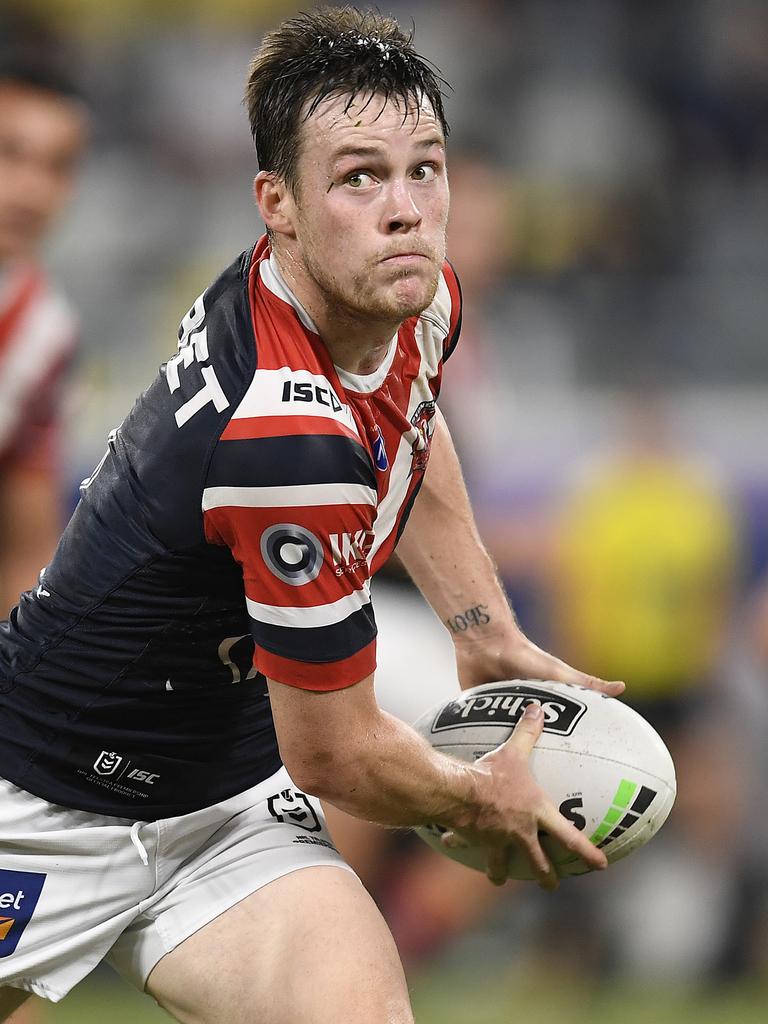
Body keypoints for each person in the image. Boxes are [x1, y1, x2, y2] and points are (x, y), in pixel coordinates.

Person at [0, 9, 622, 1024]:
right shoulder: (282, 441)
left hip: (224, 809)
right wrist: (481, 798)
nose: (406, 209)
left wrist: (482, 627)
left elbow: (412, 424)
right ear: (276, 204)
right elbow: (336, 754)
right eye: (360, 177)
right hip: (42, 798)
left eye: (425, 168)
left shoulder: (402, 298)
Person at [0, 58, 88, 616]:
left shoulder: (45, 334)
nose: (34, 190)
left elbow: (25, 549)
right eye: (9, 154)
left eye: (58, 166)